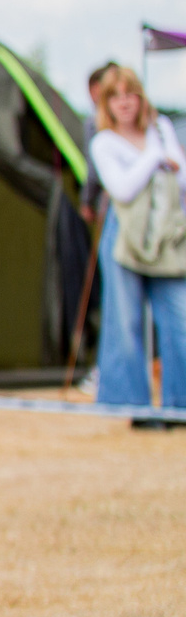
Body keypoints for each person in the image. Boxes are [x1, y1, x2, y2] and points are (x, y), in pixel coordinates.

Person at [91, 63, 185, 425]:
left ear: (141, 97)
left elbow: (182, 177)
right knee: (126, 324)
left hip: (167, 234)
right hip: (125, 238)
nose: (125, 102)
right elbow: (122, 189)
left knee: (180, 320)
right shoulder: (104, 142)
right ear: (107, 104)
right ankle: (135, 408)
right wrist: (154, 158)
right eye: (116, 96)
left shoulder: (161, 129)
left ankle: (180, 406)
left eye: (130, 94)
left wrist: (162, 152)